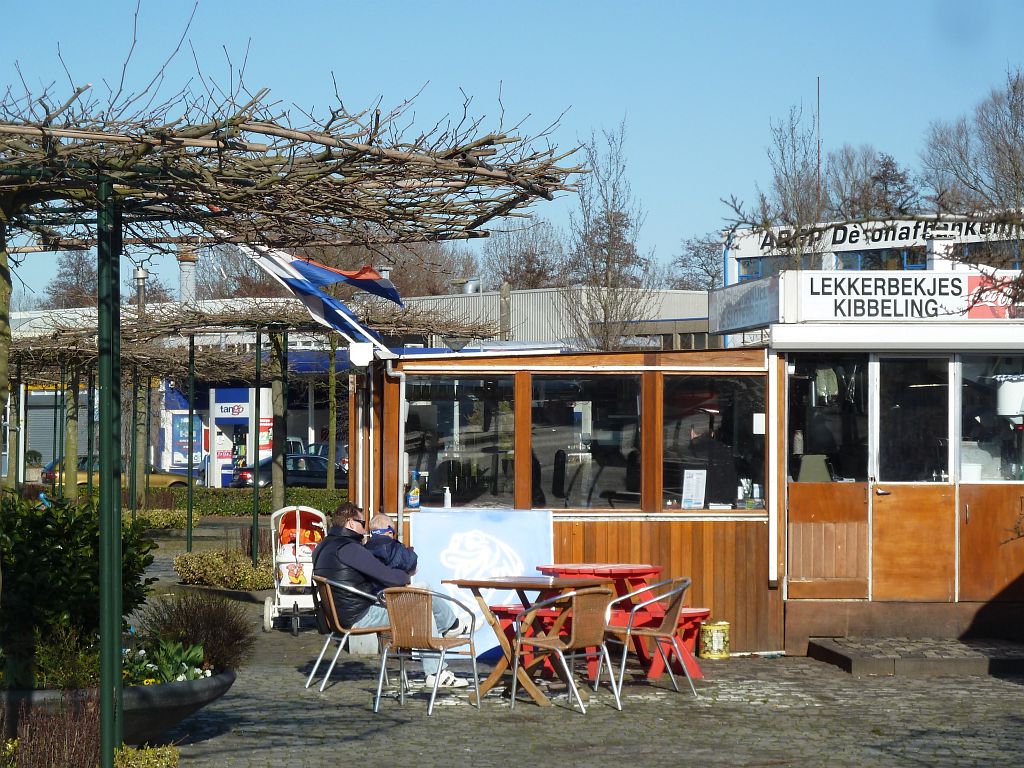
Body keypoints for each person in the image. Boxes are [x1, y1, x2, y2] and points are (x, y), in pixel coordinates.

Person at [311, 502, 469, 688]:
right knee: (421, 605)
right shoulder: (349, 549)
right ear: (351, 523)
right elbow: (389, 577)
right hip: (359, 616)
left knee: (421, 594)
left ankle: (450, 627)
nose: (366, 530)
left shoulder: (322, 547)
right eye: (363, 524)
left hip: (337, 615)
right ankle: (436, 671)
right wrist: (407, 575)